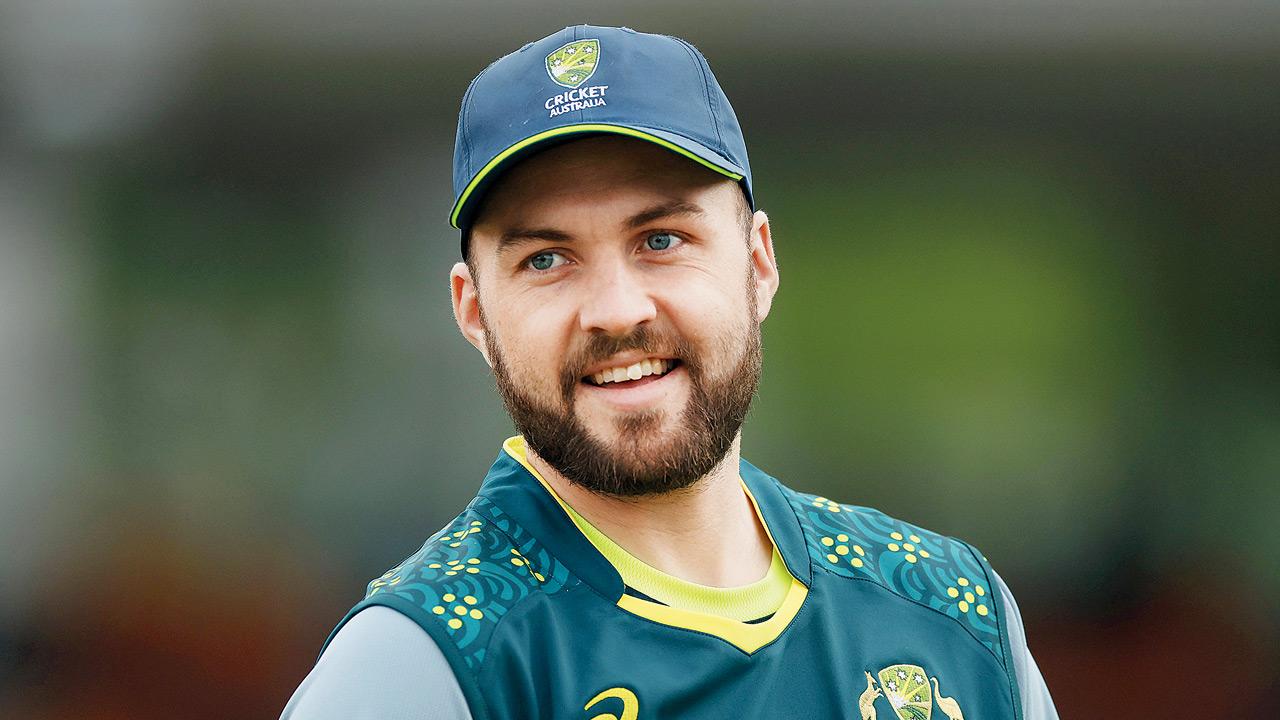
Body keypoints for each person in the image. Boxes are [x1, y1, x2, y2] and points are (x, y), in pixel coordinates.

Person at [282, 24, 1058, 720]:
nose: (616, 311)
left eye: (661, 239)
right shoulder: (428, 662)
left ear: (757, 265)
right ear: (475, 313)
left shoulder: (953, 619)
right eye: (546, 259)